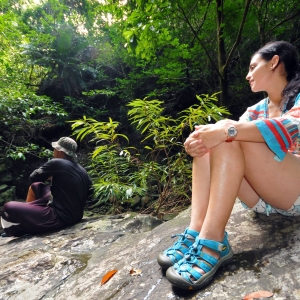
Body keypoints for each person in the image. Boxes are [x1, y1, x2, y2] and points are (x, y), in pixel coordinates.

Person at [157, 40, 300, 290]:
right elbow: (225, 138)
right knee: (215, 136)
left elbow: (291, 128)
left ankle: (213, 245)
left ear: (275, 62)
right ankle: (197, 231)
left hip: (294, 191)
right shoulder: (256, 110)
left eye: (253, 66)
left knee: (226, 129)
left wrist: (226, 129)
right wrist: (198, 143)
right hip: (262, 200)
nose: (247, 75)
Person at [1, 137, 93, 237]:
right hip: (76, 216)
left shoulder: (56, 163)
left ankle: (22, 228)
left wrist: (49, 175)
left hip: (59, 217)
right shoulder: (83, 170)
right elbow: (89, 192)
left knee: (8, 207)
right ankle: (30, 214)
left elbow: (33, 177)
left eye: (55, 149)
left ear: (59, 151)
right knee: (36, 187)